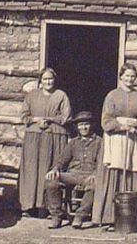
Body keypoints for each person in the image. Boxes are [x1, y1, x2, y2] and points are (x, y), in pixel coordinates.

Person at [91, 63, 137, 229]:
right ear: (120, 76)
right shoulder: (112, 96)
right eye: (127, 76)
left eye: (133, 76)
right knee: (115, 173)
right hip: (117, 139)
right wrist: (122, 126)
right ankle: (110, 218)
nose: (130, 79)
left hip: (136, 140)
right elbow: (106, 121)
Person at [19, 67, 72, 217]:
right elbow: (24, 116)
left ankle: (47, 207)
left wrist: (49, 120)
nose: (48, 82)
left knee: (48, 169)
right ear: (40, 81)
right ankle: (29, 206)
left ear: (55, 80)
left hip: (55, 136)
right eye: (45, 79)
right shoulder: (32, 95)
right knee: (31, 169)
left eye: (50, 79)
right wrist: (36, 120)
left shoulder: (61, 95)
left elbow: (66, 117)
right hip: (34, 137)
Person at [43, 112, 101, 229]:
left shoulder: (100, 142)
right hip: (72, 174)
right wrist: (55, 169)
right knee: (51, 180)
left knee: (95, 185)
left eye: (86, 124)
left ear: (92, 125)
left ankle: (80, 216)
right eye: (80, 125)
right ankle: (56, 216)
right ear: (77, 127)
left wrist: (95, 174)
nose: (83, 128)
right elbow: (62, 160)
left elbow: (101, 163)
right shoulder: (73, 142)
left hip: (89, 176)